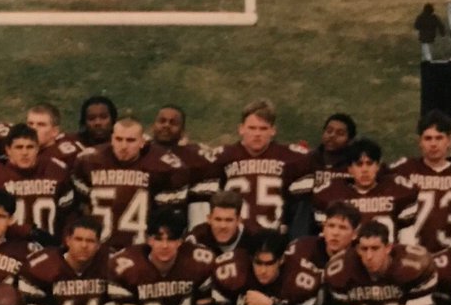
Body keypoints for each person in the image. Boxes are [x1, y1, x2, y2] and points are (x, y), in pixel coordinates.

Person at [195, 99, 315, 235]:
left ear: (273, 130)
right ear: (241, 128)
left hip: (273, 238)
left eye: (263, 128)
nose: (257, 134)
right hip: (235, 236)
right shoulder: (224, 156)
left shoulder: (291, 157)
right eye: (252, 128)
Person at [71, 114, 187, 250]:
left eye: (130, 140)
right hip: (97, 249)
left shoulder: (164, 167)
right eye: (119, 139)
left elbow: (166, 220)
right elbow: (81, 208)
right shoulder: (89, 160)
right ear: (111, 139)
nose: (124, 146)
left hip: (140, 250)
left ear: (142, 142)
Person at [389, 110, 451, 253]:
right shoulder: (404, 169)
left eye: (439, 138)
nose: (433, 144)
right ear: (419, 141)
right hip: (413, 251)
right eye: (428, 138)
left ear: (449, 141)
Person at [0, 123, 74, 239]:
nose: (25, 153)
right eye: (19, 147)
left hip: (49, 246)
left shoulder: (56, 170)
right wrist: (28, 232)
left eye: (30, 147)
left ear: (38, 148)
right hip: (8, 247)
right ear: (8, 150)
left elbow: (69, 215)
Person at [310, 138, 418, 243]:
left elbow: (407, 237)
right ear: (350, 169)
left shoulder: (397, 190)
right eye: (359, 164)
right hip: (346, 259)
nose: (365, 170)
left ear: (378, 166)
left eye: (369, 163)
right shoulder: (332, 193)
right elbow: (325, 238)